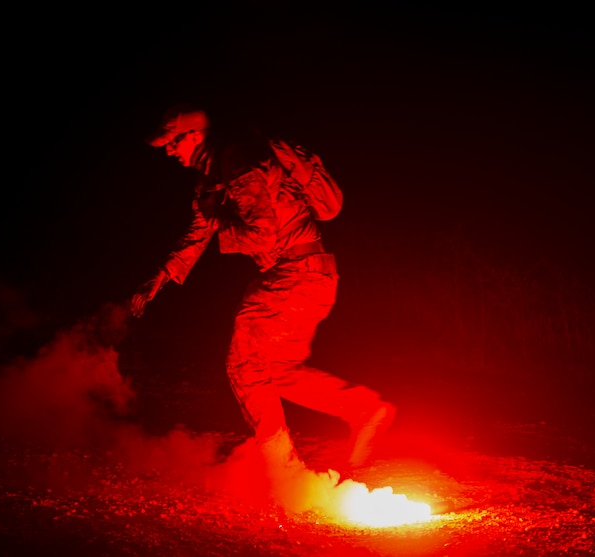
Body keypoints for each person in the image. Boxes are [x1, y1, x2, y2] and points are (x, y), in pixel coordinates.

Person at [129, 102, 396, 478]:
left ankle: (282, 468)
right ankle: (364, 410)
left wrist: (220, 222)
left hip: (295, 275)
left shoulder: (240, 162)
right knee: (279, 371)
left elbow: (260, 235)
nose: (169, 151)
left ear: (194, 135)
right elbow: (199, 230)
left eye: (172, 142)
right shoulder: (213, 173)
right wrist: (159, 278)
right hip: (311, 276)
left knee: (244, 363)